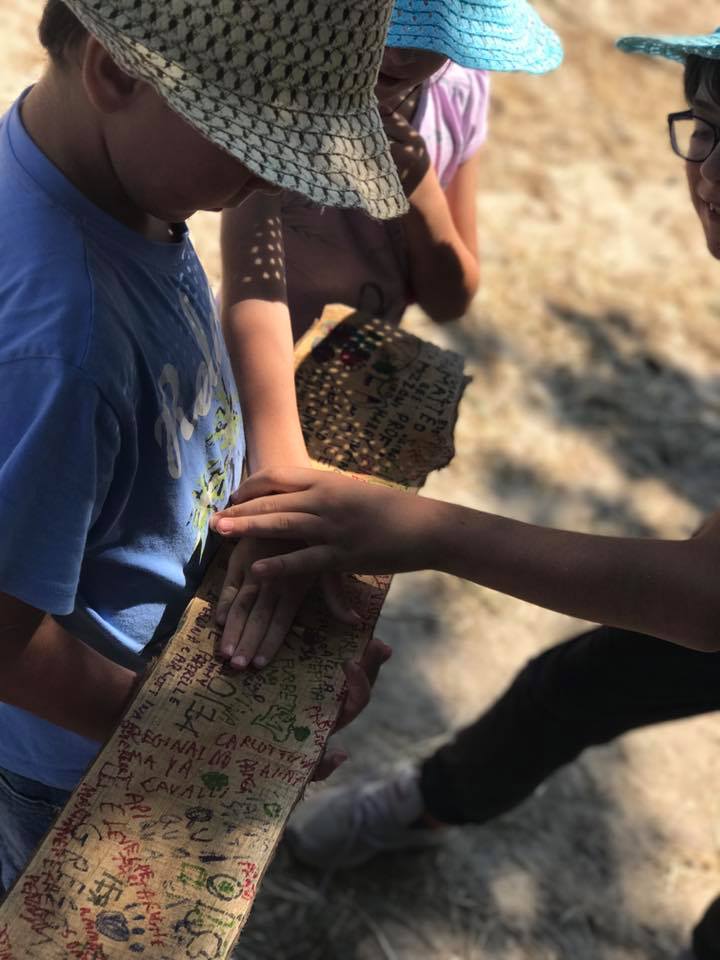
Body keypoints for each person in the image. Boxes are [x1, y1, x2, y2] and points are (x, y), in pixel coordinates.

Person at [211, 26, 720, 960]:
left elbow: (708, 596)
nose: (711, 169)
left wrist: (423, 530)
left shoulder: (452, 108)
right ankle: (430, 803)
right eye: (708, 126)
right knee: (577, 685)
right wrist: (285, 473)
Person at [0, 0, 406, 893]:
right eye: (253, 138)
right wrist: (211, 742)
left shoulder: (113, 191)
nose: (276, 177)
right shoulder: (66, 349)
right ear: (116, 71)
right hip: (77, 764)